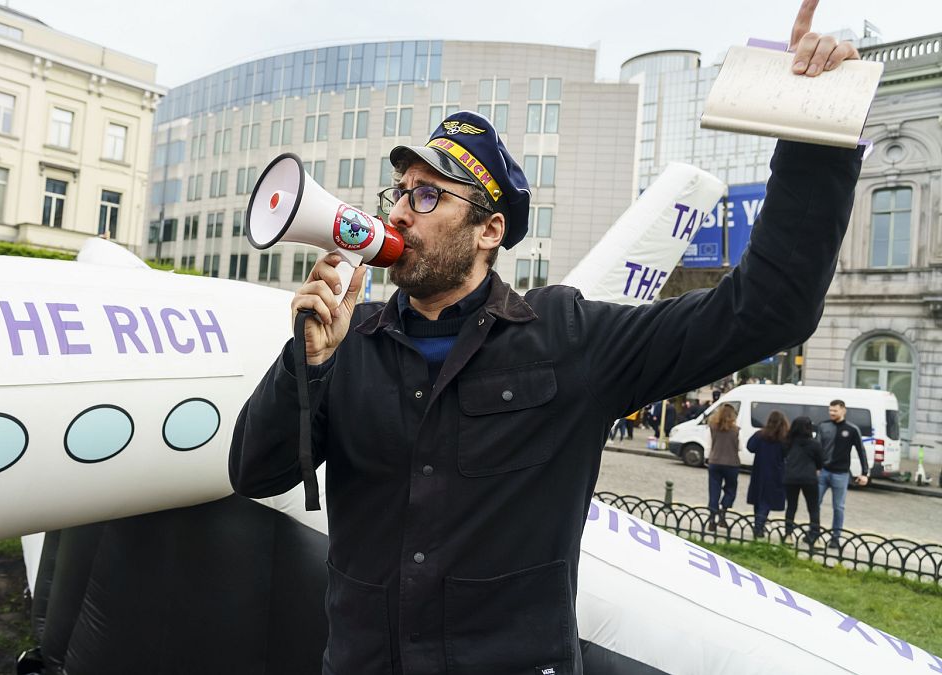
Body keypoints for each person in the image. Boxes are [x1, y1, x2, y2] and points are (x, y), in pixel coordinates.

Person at [229, 6, 861, 672]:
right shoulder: (348, 343)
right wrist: (307, 363)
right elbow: (256, 471)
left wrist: (811, 132)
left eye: (426, 196)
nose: (396, 210)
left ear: (489, 230)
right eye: (399, 191)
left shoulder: (567, 338)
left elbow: (768, 311)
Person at [817, 398, 869, 548]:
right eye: (830, 410)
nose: (832, 413)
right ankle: (814, 533)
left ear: (843, 410)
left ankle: (835, 538)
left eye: (835, 410)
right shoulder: (824, 426)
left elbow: (861, 451)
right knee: (815, 503)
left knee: (838, 507)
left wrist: (865, 472)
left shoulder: (852, 429)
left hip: (841, 473)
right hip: (823, 471)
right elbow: (817, 448)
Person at [784, 415, 826, 544]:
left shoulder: (788, 442)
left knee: (791, 506)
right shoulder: (814, 444)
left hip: (791, 477)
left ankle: (788, 535)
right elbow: (820, 461)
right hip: (809, 478)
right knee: (813, 507)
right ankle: (815, 535)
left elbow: (783, 456)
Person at [746, 410, 788, 537]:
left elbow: (750, 447)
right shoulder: (784, 438)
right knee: (767, 501)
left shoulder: (760, 435)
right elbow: (787, 454)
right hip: (776, 472)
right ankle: (759, 526)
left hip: (759, 470)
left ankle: (758, 524)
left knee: (759, 499)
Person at [706, 404, 741, 532]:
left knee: (713, 491)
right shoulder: (736, 430)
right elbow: (738, 447)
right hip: (731, 463)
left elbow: (710, 442)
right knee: (730, 490)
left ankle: (711, 519)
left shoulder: (713, 427)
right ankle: (723, 511)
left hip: (715, 461)